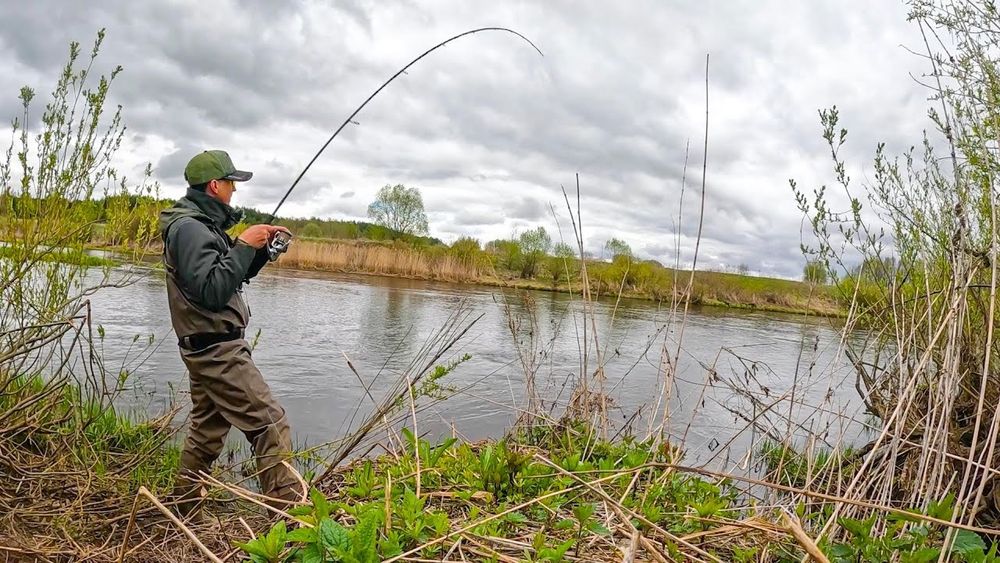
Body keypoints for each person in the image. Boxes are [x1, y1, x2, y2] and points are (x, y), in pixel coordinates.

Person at [158, 149, 299, 517]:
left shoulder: (199, 225)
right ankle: (289, 524)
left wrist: (260, 252)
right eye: (232, 184)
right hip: (217, 351)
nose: (235, 190)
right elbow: (211, 290)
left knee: (206, 433)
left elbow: (228, 277)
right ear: (215, 185)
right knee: (270, 423)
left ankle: (182, 511)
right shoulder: (190, 229)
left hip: (207, 347)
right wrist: (241, 244)